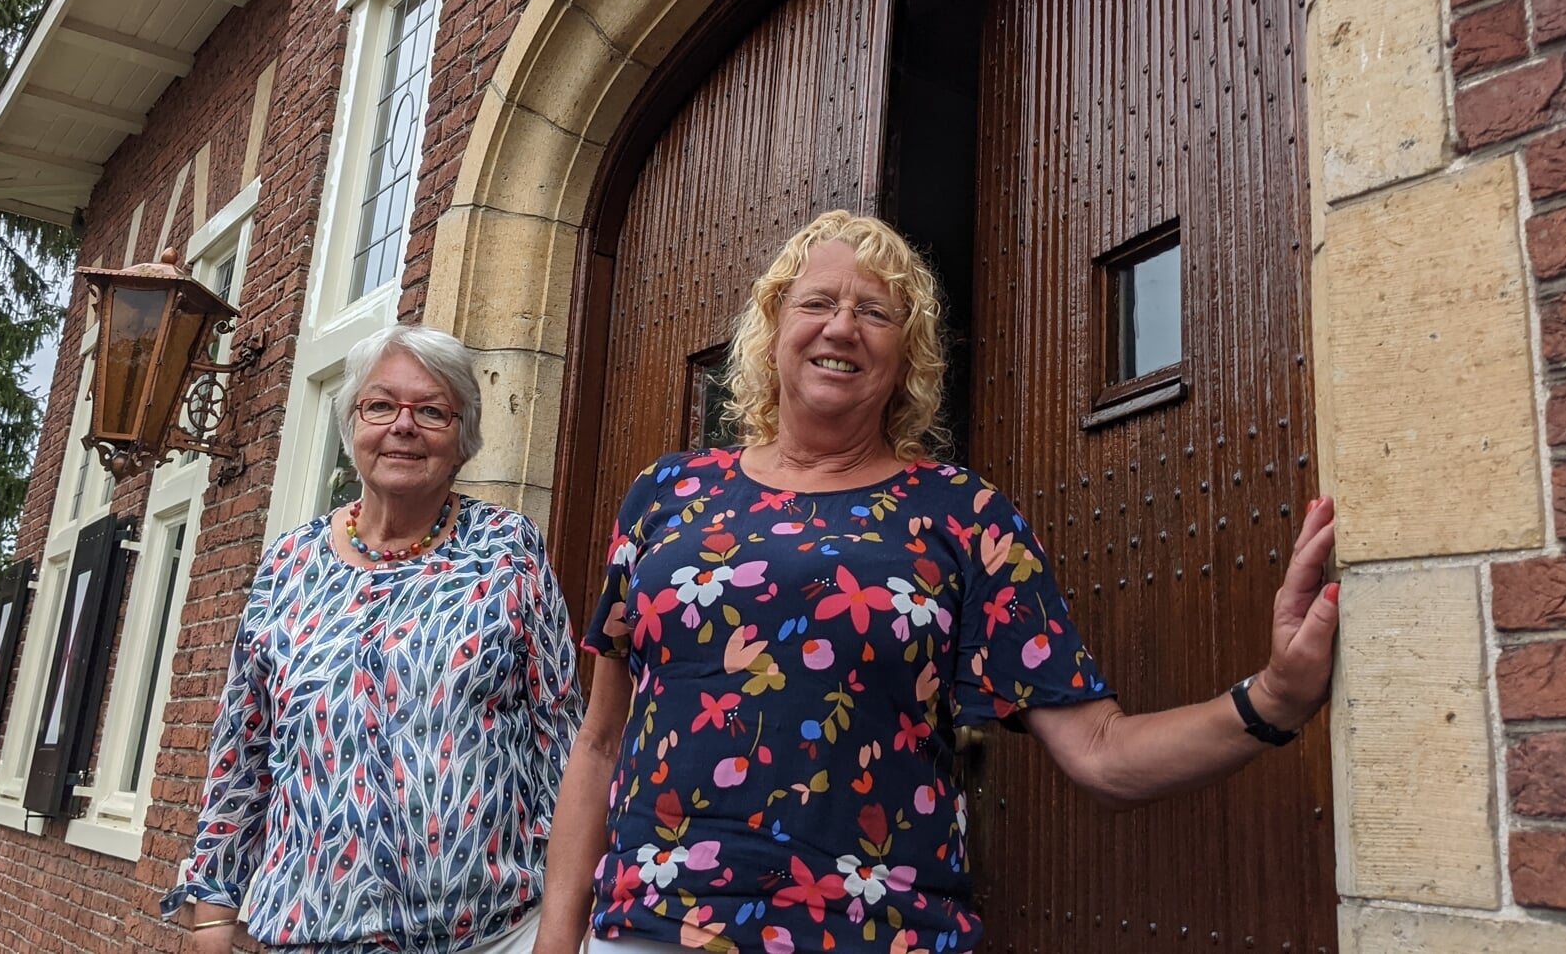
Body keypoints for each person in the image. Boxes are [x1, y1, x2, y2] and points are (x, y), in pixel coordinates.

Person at [533, 211, 1338, 954]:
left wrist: (1272, 701)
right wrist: (555, 946)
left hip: (876, 934)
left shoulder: (962, 515)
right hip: (649, 930)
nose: (842, 326)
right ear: (772, 328)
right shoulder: (668, 495)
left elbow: (1101, 753)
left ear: (908, 356)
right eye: (817, 302)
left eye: (876, 313)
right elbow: (601, 741)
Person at [164, 324, 582, 954]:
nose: (403, 425)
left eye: (432, 411)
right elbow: (242, 749)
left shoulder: (508, 551)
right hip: (309, 931)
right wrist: (215, 911)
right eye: (380, 405)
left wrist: (564, 924)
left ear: (462, 439)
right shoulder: (288, 564)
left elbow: (563, 739)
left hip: (492, 933)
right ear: (352, 425)